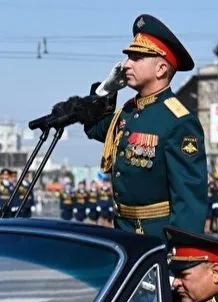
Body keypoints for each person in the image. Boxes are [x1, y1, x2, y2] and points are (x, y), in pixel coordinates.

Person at [80, 14, 208, 241]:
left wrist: (180, 261)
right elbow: (94, 127)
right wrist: (105, 91)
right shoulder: (128, 113)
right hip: (123, 233)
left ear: (160, 69)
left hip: (156, 238)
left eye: (137, 58)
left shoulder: (178, 121)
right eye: (128, 57)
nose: (126, 64)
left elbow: (189, 200)